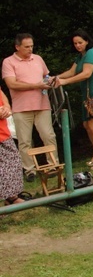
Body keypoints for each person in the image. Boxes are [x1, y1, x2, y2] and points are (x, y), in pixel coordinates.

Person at [2, 33, 58, 182]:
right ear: (17, 47)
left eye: (32, 46)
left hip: (42, 104)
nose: (30, 49)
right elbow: (11, 84)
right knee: (24, 141)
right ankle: (29, 170)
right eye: (26, 47)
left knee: (48, 135)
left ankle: (53, 165)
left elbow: (46, 76)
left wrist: (50, 80)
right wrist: (36, 85)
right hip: (21, 107)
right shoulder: (8, 62)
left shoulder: (38, 58)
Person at [54, 29, 93, 170]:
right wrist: (56, 78)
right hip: (88, 95)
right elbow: (72, 71)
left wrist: (64, 82)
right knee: (87, 125)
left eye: (80, 42)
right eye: (75, 43)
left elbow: (86, 74)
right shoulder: (81, 56)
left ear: (87, 41)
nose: (78, 45)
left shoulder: (92, 53)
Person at [0, 89, 25, 206]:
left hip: (3, 132)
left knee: (13, 162)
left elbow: (1, 94)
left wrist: (6, 106)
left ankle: (11, 198)